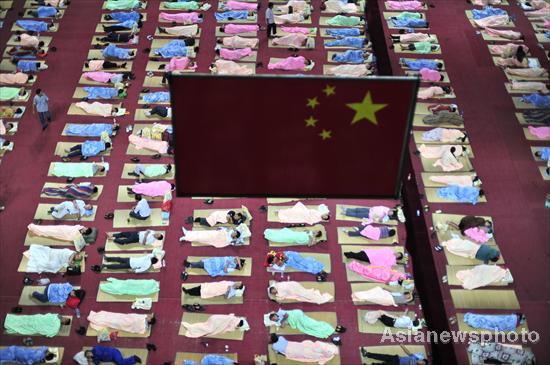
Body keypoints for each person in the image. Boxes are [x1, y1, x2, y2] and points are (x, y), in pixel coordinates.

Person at [265, 309, 346, 340]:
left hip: (296, 314)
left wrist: (283, 321)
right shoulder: (278, 322)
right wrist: (281, 323)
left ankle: (329, 329)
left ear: (275, 315)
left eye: (274, 317)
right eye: (273, 319)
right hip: (295, 322)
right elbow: (283, 326)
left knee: (311, 324)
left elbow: (287, 315)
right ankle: (330, 330)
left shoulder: (280, 312)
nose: (275, 318)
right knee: (307, 328)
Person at [269, 334, 339, 363]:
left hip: (289, 350)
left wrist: (281, 353)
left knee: (303, 352)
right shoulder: (281, 337)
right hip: (292, 345)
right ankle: (322, 352)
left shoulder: (274, 346)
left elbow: (279, 352)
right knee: (305, 348)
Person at [3, 313, 71, 337]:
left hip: (39, 325)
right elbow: (49, 315)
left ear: (64, 323)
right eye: (65, 317)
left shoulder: (57, 327)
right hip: (38, 318)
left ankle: (8, 324)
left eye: (65, 319)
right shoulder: (58, 316)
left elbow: (50, 333)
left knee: (26, 325)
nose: (64, 318)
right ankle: (10, 319)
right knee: (24, 318)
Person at [361, 345, 428, 365]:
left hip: (397, 363)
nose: (421, 362)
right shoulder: (415, 358)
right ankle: (366, 354)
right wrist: (402, 346)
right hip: (396, 358)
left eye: (422, 364)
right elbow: (408, 353)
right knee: (382, 356)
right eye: (422, 361)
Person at [74, 346, 142, 365]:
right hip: (112, 358)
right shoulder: (94, 357)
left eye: (88, 354)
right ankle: (134, 360)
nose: (89, 355)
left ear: (89, 351)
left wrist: (93, 359)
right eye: (88, 356)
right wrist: (91, 360)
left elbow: (99, 354)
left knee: (121, 363)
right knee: (121, 363)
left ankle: (134, 358)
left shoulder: (95, 349)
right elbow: (97, 363)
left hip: (113, 352)